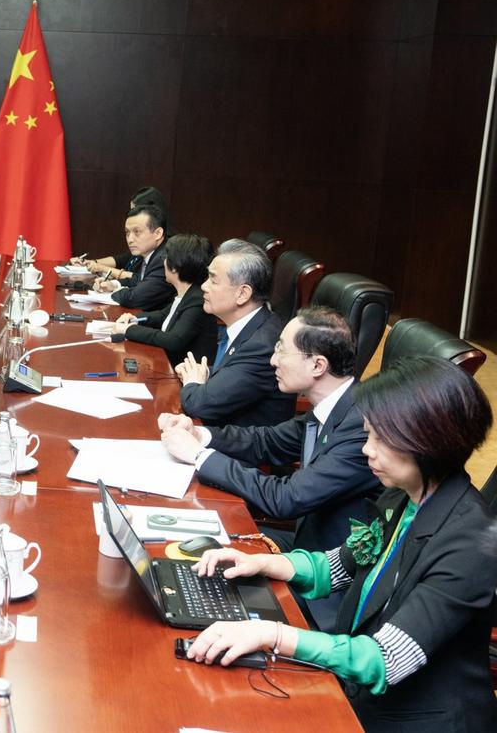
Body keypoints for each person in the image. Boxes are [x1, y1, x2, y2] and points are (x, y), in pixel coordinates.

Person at [185, 357, 495, 732]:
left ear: (429, 441)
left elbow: (386, 659)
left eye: (381, 439)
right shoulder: (403, 497)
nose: (367, 450)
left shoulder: (471, 543)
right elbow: (341, 565)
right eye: (368, 435)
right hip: (356, 686)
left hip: (414, 718)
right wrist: (263, 563)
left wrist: (273, 634)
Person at [159, 307, 380, 626]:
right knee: (182, 548)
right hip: (306, 545)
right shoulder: (331, 407)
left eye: (281, 350)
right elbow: (268, 440)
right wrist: (200, 434)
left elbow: (287, 499)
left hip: (329, 583)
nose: (273, 360)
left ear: (318, 364)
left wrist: (199, 456)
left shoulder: (360, 425)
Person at [176, 238, 294, 427]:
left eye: (213, 280)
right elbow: (236, 374)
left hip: (243, 451)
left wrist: (192, 382)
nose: (204, 286)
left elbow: (200, 406)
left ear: (242, 294)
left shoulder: (262, 345)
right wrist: (202, 372)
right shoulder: (251, 324)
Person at [112, 233, 217, 367]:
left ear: (174, 267)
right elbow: (162, 315)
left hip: (185, 377)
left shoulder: (197, 301)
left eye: (165, 258)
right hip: (168, 366)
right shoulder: (186, 294)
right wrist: (134, 319)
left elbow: (174, 339)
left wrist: (129, 330)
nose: (163, 262)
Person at [92, 204, 175, 311]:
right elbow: (139, 280)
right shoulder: (149, 253)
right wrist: (113, 284)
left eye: (137, 232)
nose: (130, 239)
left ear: (158, 233)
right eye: (127, 233)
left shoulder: (164, 259)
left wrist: (114, 292)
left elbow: (136, 298)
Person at [71, 185, 170, 274]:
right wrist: (93, 262)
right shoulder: (143, 245)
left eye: (136, 210)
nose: (132, 215)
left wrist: (102, 268)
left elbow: (139, 280)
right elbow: (125, 259)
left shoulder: (167, 249)